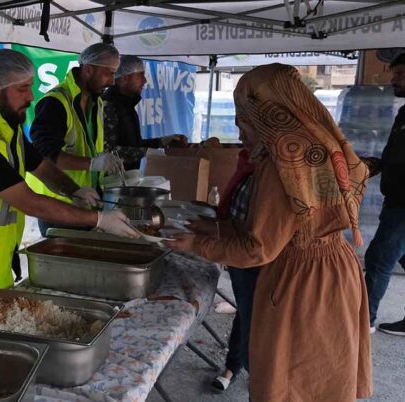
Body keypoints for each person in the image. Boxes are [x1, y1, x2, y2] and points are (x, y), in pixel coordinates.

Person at [166, 64, 372, 401]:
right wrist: (217, 228)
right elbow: (288, 225)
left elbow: (258, 248)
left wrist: (198, 244)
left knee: (292, 378)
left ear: (267, 114)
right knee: (322, 375)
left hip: (302, 282)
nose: (238, 130)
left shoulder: (284, 162)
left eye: (244, 119)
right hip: (335, 270)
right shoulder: (318, 143)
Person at [0, 49, 138, 289]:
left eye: (31, 86)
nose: (31, 96)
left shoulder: (6, 128)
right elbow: (29, 202)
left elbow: (41, 166)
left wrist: (74, 190)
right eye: (22, 89)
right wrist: (98, 219)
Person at [187, 133, 259, 393]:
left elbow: (256, 240)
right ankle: (234, 365)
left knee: (253, 316)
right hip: (239, 255)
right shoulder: (249, 161)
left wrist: (200, 243)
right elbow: (238, 218)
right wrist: (213, 221)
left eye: (247, 128)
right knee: (246, 309)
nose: (241, 135)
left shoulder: (272, 173)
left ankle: (242, 369)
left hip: (252, 259)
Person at [28, 43, 123, 236]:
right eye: (109, 73)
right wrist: (93, 164)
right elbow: (44, 154)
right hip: (59, 204)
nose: (112, 81)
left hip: (86, 199)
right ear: (88, 69)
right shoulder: (55, 102)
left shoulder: (96, 101)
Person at [362, 52, 405, 336]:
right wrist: (372, 166)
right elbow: (395, 155)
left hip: (404, 204)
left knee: (379, 258)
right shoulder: (404, 113)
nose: (393, 80)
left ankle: (363, 320)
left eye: (400, 75)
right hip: (395, 199)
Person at [102, 55, 187, 170]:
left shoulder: (127, 105)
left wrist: (160, 142)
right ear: (126, 77)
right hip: (109, 178)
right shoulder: (108, 105)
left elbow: (133, 145)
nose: (145, 81)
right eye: (140, 75)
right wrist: (147, 152)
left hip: (127, 175)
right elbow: (107, 152)